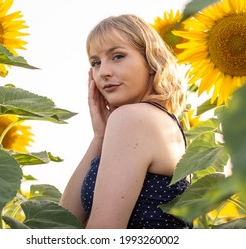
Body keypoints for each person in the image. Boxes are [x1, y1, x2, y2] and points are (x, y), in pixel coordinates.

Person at [60, 14, 191, 229]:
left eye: (118, 56)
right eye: (95, 63)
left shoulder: (133, 118)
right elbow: (62, 221)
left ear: (150, 61)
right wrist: (99, 137)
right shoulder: (163, 121)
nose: (103, 72)